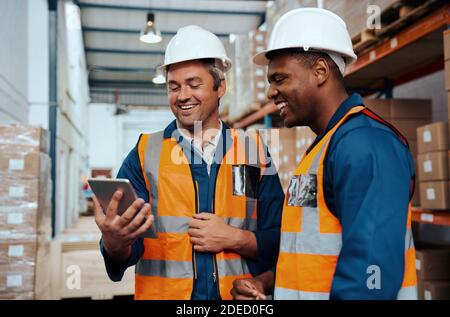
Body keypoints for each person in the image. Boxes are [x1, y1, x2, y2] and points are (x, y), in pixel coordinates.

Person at [231, 8, 418, 300]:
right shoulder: (327, 147)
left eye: (280, 79)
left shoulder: (364, 145)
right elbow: (315, 251)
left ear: (320, 72)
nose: (271, 92)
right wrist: (269, 281)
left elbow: (371, 277)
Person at [93, 25, 284, 300]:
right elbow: (126, 250)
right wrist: (113, 243)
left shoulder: (253, 152)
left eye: (194, 85)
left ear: (221, 87)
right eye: (174, 87)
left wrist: (235, 238)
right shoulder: (146, 153)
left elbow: (279, 238)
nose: (183, 96)